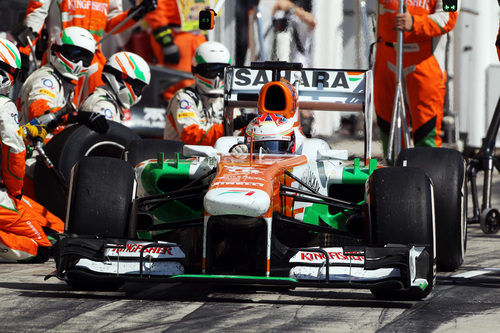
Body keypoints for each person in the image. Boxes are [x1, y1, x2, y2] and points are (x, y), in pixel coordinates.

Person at [12, 0, 157, 104]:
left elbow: (111, 23)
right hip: (62, 58)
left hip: (94, 62)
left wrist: (136, 13)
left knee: (97, 114)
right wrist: (24, 51)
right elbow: (37, 11)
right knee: (53, 114)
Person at [0, 38, 64, 263]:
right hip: (5, 193)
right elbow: (13, 149)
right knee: (41, 247)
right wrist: (15, 192)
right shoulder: (3, 104)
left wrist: (26, 133)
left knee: (56, 228)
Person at [374, 1, 458, 157]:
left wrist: (415, 22)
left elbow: (449, 17)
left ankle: (427, 176)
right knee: (388, 127)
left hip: (425, 62)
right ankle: (393, 175)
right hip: (386, 56)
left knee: (426, 131)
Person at [164, 41, 252, 146]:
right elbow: (190, 136)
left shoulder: (226, 98)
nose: (217, 78)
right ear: (194, 70)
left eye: (221, 71)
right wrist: (231, 126)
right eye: (211, 71)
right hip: (182, 159)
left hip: (216, 159)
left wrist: (249, 128)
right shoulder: (184, 97)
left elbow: (236, 136)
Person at [18, 26, 96, 132]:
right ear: (56, 50)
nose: (79, 63)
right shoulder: (46, 78)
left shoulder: (64, 82)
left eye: (85, 58)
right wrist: (75, 116)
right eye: (75, 54)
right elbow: (39, 111)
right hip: (29, 146)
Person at [144, 0, 206, 100]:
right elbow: (154, 9)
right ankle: (174, 105)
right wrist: (166, 40)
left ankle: (193, 103)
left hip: (197, 35)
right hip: (176, 36)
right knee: (179, 80)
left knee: (198, 77)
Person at [271, 0, 316, 137]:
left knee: (302, 107)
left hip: (299, 71)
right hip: (278, 68)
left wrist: (291, 8)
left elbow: (312, 21)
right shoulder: (279, 16)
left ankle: (305, 133)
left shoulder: (301, 19)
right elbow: (270, 12)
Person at [230, 77, 305, 155]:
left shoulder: (306, 147)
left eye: (275, 147)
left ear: (290, 145)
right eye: (257, 147)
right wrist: (235, 158)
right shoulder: (253, 128)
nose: (264, 154)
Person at [79, 51, 151, 123]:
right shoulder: (104, 105)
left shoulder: (108, 100)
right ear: (122, 77)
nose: (140, 93)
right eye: (138, 87)